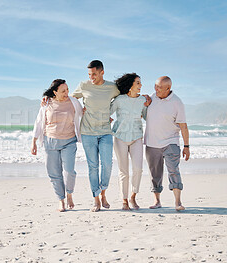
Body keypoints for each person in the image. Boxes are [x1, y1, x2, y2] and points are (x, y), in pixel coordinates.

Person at [72, 60, 120, 212]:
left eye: (94, 74)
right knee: (92, 167)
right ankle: (96, 199)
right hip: (87, 132)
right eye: (89, 74)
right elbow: (70, 99)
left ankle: (103, 192)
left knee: (107, 164)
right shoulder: (84, 85)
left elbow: (125, 97)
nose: (91, 77)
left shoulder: (112, 87)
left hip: (105, 131)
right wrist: (47, 97)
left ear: (102, 72)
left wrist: (142, 97)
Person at [31, 79, 83, 212]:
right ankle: (61, 200)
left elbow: (84, 114)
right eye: (63, 91)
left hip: (69, 141)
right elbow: (39, 122)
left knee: (69, 171)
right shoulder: (46, 103)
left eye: (67, 90)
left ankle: (69, 194)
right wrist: (34, 142)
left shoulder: (74, 102)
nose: (67, 93)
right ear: (55, 92)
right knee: (54, 173)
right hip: (50, 141)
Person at [144, 76, 190, 211]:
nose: (155, 89)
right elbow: (141, 114)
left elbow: (183, 126)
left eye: (159, 87)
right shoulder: (152, 98)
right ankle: (157, 201)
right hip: (152, 143)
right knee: (155, 174)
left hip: (171, 142)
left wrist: (186, 146)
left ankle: (177, 202)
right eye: (155, 85)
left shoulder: (177, 103)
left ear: (168, 88)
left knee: (174, 171)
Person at [111, 73, 147, 210]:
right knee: (123, 171)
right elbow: (107, 111)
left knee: (138, 169)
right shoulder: (120, 100)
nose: (140, 85)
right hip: (120, 137)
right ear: (130, 85)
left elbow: (148, 117)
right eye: (138, 83)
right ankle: (124, 200)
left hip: (137, 137)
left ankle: (133, 196)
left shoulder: (142, 100)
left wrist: (150, 104)